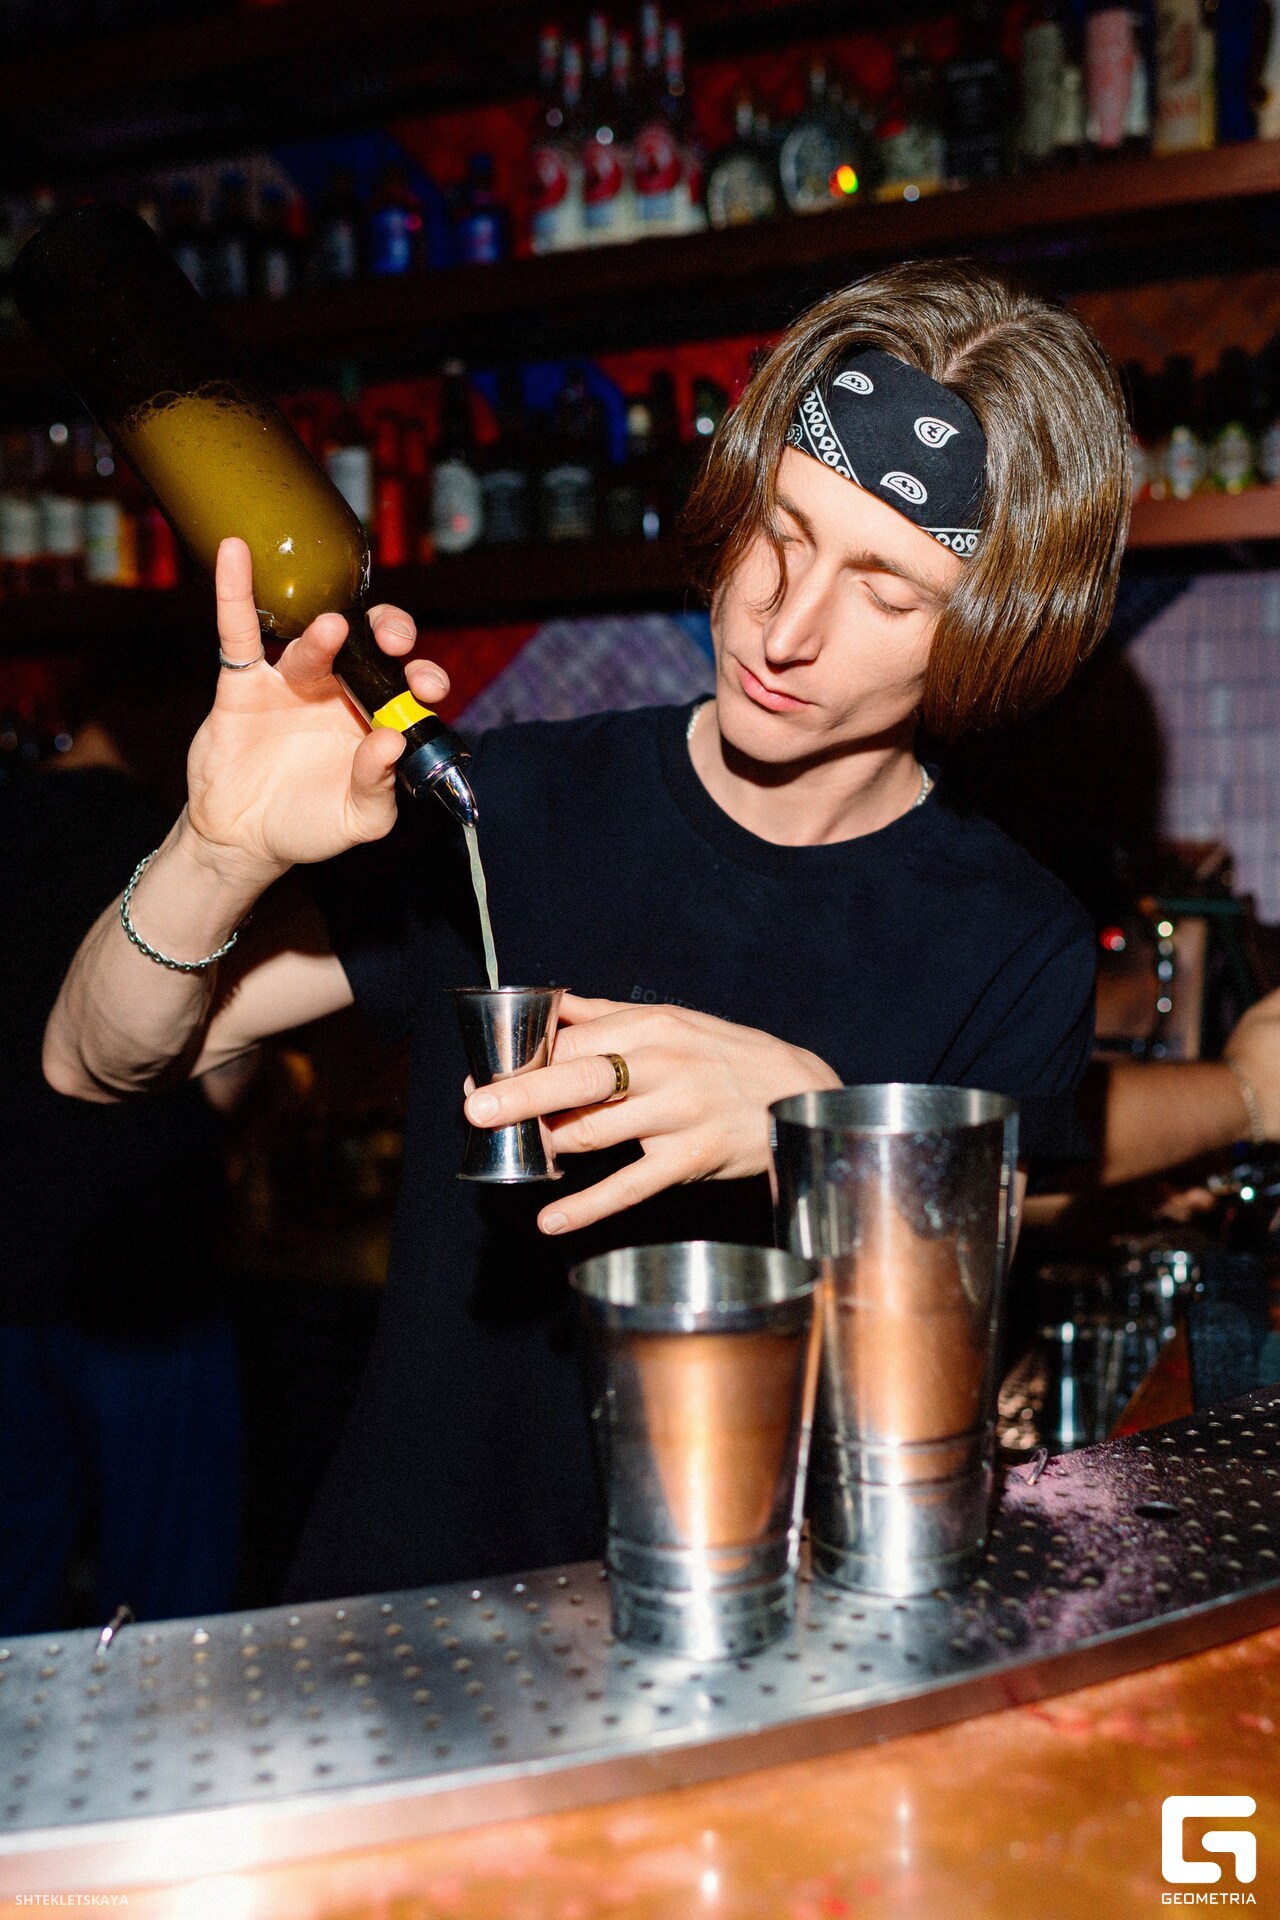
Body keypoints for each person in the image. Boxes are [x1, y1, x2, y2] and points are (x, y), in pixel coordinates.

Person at [46, 260, 1132, 1600]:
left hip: (760, 1641)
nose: (785, 625)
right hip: (405, 1627)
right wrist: (216, 851)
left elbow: (939, 1395)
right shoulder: (509, 803)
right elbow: (94, 1060)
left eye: (888, 593)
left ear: (993, 636)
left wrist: (820, 1134)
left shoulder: (1012, 939)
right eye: (781, 532)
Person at [1, 636, 245, 1635]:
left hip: (8, 1272)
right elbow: (222, 1084)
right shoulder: (178, 851)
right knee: (168, 1596)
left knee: (15, 1581)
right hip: (142, 1271)